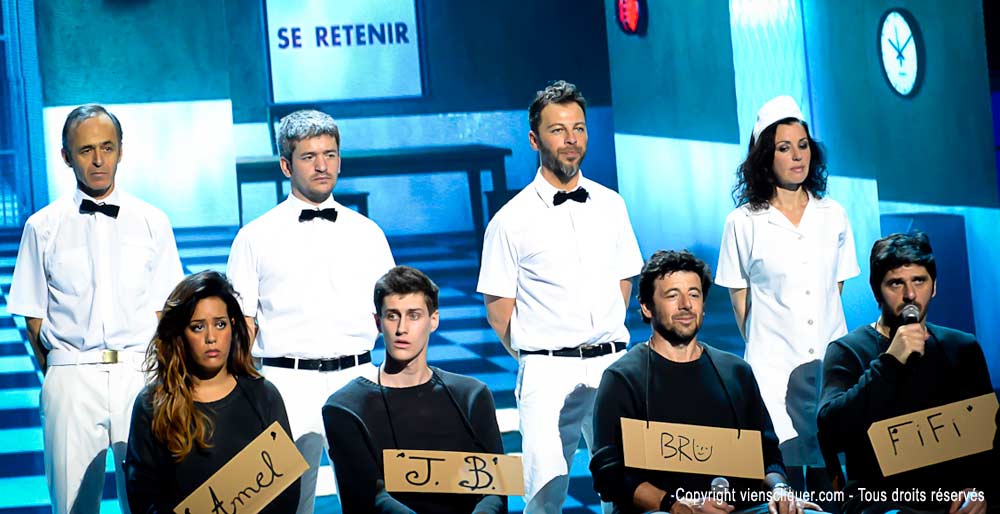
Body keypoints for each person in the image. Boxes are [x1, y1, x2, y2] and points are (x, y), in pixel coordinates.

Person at [7, 104, 184, 514]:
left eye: (107, 147)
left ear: (122, 150)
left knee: (150, 501)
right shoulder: (42, 226)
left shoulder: (153, 221)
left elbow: (166, 307)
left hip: (139, 373)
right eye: (86, 150)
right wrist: (62, 371)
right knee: (71, 505)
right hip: (71, 375)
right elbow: (33, 317)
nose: (99, 159)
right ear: (66, 156)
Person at [477, 80, 643, 512]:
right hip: (547, 371)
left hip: (612, 363)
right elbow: (499, 311)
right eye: (558, 130)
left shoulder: (612, 205)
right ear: (534, 139)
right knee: (545, 492)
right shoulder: (510, 220)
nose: (571, 140)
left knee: (627, 486)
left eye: (579, 128)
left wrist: (602, 335)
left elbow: (625, 280)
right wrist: (539, 354)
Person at [226, 109, 395, 513]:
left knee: (372, 500)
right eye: (308, 156)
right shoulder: (254, 237)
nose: (322, 165)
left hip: (358, 378)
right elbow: (241, 326)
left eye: (330, 154)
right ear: (286, 164)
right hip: (286, 383)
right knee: (287, 505)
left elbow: (394, 312)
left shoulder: (368, 233)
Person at [591, 250, 818, 514]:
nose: (686, 304)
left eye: (694, 294)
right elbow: (609, 473)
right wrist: (676, 506)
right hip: (663, 511)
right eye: (672, 295)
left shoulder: (736, 372)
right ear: (646, 306)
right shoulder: (622, 378)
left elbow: (767, 456)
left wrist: (780, 490)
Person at [715, 95, 860, 486]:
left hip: (831, 370)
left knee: (836, 478)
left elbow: (835, 288)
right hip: (773, 373)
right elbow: (739, 299)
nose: (797, 156)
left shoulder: (834, 215)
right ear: (766, 156)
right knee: (784, 477)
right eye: (784, 148)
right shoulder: (743, 222)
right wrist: (767, 348)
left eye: (802, 146)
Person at [817, 233, 996, 514]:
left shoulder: (962, 347)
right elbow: (831, 431)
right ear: (876, 291)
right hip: (880, 498)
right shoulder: (847, 350)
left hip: (952, 496)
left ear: (934, 286)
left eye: (919, 281)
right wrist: (889, 362)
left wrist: (979, 488)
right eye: (896, 283)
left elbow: (989, 438)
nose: (910, 294)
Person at [323, 266, 505, 513]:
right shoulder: (346, 408)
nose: (402, 329)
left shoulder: (471, 396)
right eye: (392, 316)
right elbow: (368, 497)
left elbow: (495, 488)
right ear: (378, 322)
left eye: (414, 315)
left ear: (434, 320)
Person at [125, 271, 299, 513]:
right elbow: (143, 498)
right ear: (179, 335)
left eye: (220, 324)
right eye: (197, 327)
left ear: (233, 326)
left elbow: (287, 491)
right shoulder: (152, 404)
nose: (211, 338)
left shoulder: (264, 396)